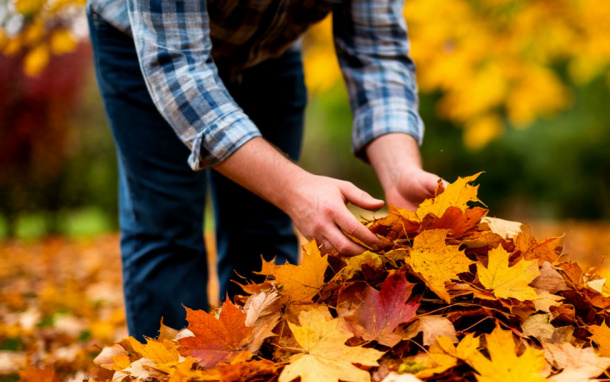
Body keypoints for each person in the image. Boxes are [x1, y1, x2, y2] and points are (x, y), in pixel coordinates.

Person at [85, 0, 441, 340]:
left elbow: (377, 51)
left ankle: (256, 370)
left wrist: (399, 171)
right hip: (154, 45)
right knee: (166, 229)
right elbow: (178, 69)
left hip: (269, 48)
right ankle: (171, 373)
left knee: (263, 231)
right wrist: (294, 188)